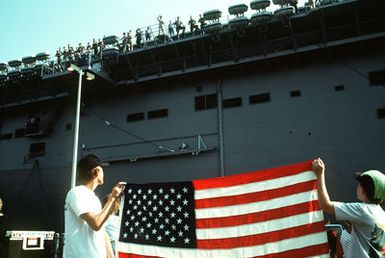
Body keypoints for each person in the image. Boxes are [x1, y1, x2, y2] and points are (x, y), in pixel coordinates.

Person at [312, 158, 385, 258]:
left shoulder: (362, 210)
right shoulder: (382, 214)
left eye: (360, 184)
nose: (357, 187)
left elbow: (325, 205)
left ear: (365, 189)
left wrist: (320, 175)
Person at [63, 154, 126, 258]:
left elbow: (102, 231)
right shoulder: (76, 192)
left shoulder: (94, 198)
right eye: (102, 169)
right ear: (96, 171)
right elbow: (96, 224)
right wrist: (112, 198)